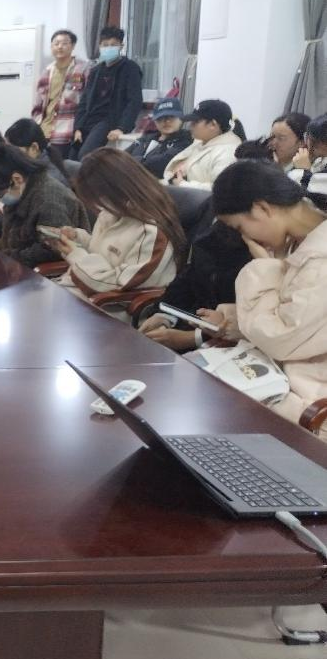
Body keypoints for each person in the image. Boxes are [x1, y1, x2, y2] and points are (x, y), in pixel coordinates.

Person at [195, 160, 326, 427]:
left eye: (240, 228)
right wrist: (232, 319)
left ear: (262, 208)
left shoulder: (320, 259)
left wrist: (266, 267)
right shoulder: (298, 241)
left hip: (306, 396)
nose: (245, 238)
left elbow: (282, 339)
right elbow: (289, 310)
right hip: (285, 374)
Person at [49, 148, 184, 302]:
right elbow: (103, 252)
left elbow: (118, 284)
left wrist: (75, 254)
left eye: (100, 197)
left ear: (117, 190)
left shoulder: (151, 232)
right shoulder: (112, 211)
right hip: (78, 291)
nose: (98, 204)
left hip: (109, 306)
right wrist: (77, 238)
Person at [138, 221, 252, 352]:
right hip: (196, 323)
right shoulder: (210, 235)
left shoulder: (257, 256)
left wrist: (192, 338)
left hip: (232, 344)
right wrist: (164, 316)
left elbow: (244, 324)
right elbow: (189, 278)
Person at [0, 144, 90, 267]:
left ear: (17, 179)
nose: (0, 199)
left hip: (42, 270)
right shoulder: (22, 190)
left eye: (0, 195)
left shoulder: (50, 201)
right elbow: (8, 235)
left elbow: (52, 250)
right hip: (18, 262)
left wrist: (6, 258)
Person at [70, 26, 143, 159]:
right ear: (99, 46)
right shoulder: (95, 71)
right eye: (105, 45)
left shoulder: (130, 68)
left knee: (86, 156)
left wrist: (122, 127)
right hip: (89, 120)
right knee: (71, 156)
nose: (109, 48)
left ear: (121, 46)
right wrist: (78, 127)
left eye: (113, 45)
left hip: (109, 121)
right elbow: (84, 101)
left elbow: (135, 101)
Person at [31, 29, 90, 158]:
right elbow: (38, 104)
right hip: (43, 132)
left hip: (67, 131)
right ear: (51, 47)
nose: (60, 47)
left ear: (73, 46)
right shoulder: (46, 71)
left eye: (64, 43)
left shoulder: (83, 68)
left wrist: (81, 128)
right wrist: (36, 125)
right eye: (56, 43)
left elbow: (88, 102)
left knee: (63, 167)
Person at [162, 99, 242, 189]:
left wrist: (182, 184)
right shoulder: (201, 142)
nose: (190, 126)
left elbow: (221, 190)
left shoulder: (228, 153)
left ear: (212, 124)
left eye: (195, 122)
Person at [126, 97, 193, 179]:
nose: (166, 121)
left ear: (181, 118)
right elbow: (122, 156)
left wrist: (134, 161)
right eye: (161, 118)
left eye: (171, 117)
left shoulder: (186, 140)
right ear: (155, 121)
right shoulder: (146, 137)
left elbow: (161, 164)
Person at [4, 118, 70, 185]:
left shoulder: (48, 179)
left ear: (34, 148)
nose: (9, 156)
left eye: (14, 151)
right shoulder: (36, 166)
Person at [289, 112, 327, 193]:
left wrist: (302, 170)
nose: (309, 146)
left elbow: (306, 196)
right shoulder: (317, 161)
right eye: (307, 138)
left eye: (315, 143)